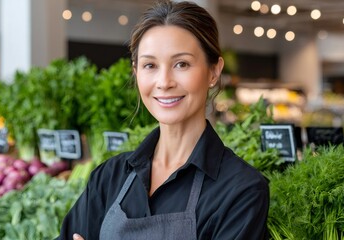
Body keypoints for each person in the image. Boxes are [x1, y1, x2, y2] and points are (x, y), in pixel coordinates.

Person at [57, 1, 269, 239]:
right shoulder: (110, 176)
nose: (164, 81)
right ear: (136, 71)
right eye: (150, 65)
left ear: (214, 71)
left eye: (181, 64)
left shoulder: (241, 191)